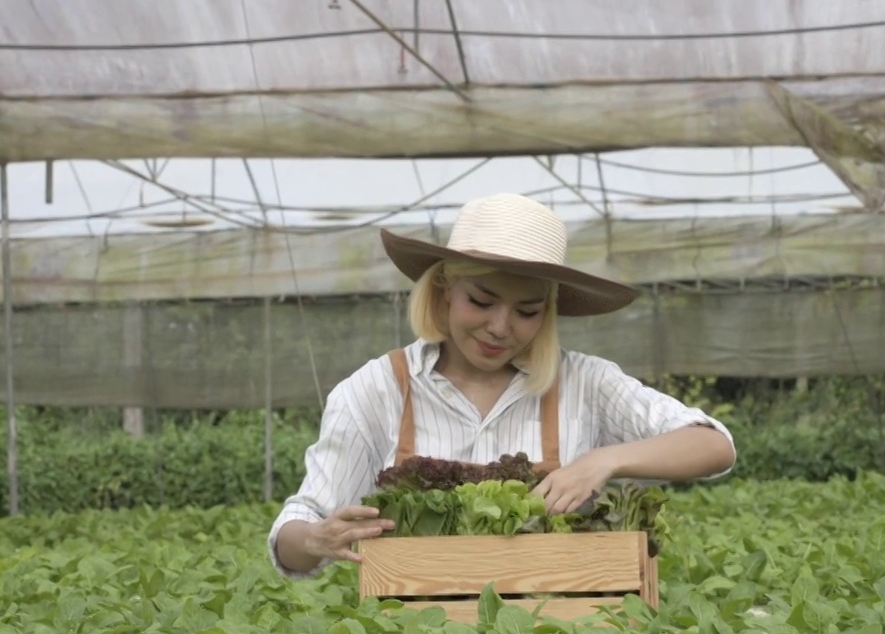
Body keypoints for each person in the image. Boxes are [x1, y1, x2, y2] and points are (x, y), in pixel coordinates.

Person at [268, 193, 735, 579]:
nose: (499, 327)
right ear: (445, 288)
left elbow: (713, 445)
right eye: (481, 301)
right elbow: (296, 532)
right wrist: (314, 539)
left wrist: (603, 460)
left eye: (526, 311)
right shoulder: (377, 389)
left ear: (547, 311)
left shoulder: (585, 383)